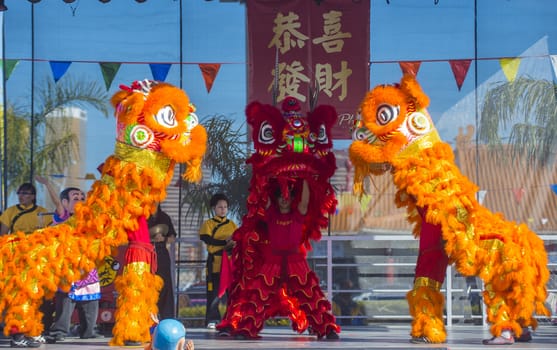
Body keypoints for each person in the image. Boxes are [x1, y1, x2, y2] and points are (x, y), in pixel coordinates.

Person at [35, 176, 101, 341]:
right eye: (74, 198)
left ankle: (88, 331)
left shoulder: (88, 219)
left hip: (86, 266)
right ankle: (59, 332)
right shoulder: (63, 216)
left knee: (91, 301)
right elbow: (56, 202)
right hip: (68, 266)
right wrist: (48, 184)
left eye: (81, 198)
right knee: (66, 302)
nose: (79, 200)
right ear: (65, 203)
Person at [0, 182, 52, 347]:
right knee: (18, 296)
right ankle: (17, 334)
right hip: (16, 259)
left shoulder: (42, 212)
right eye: (20, 193)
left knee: (34, 296)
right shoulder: (11, 211)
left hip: (37, 259)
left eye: (26, 193)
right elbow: (3, 236)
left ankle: (31, 331)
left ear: (34, 196)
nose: (22, 196)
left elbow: (52, 233)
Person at [198, 193, 237, 329]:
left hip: (229, 262)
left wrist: (231, 244)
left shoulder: (232, 224)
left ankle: (232, 318)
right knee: (213, 293)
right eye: (220, 207)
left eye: (225, 207)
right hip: (215, 262)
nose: (223, 209)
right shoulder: (208, 224)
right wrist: (223, 242)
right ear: (214, 208)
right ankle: (213, 319)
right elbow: (207, 239)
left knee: (231, 293)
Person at [148, 204, 177, 319]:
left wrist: (164, 239)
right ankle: (150, 317)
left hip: (162, 254)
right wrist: (151, 239)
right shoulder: (143, 218)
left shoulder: (165, 217)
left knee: (165, 285)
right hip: (147, 253)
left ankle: (167, 317)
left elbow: (172, 237)